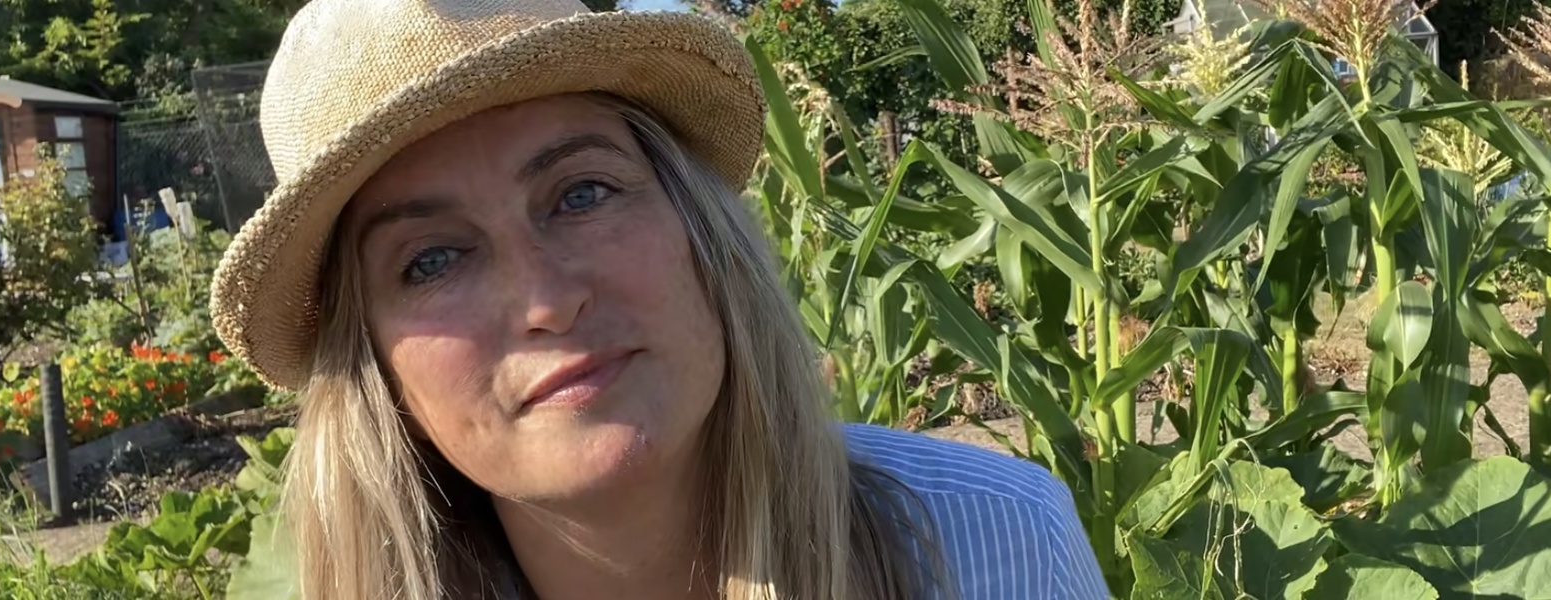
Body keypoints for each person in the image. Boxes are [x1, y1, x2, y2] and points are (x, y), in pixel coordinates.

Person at [207, 0, 1108, 598]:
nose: (546, 302)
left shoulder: (995, 546)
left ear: (698, 230)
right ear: (375, 369)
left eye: (581, 194)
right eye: (432, 259)